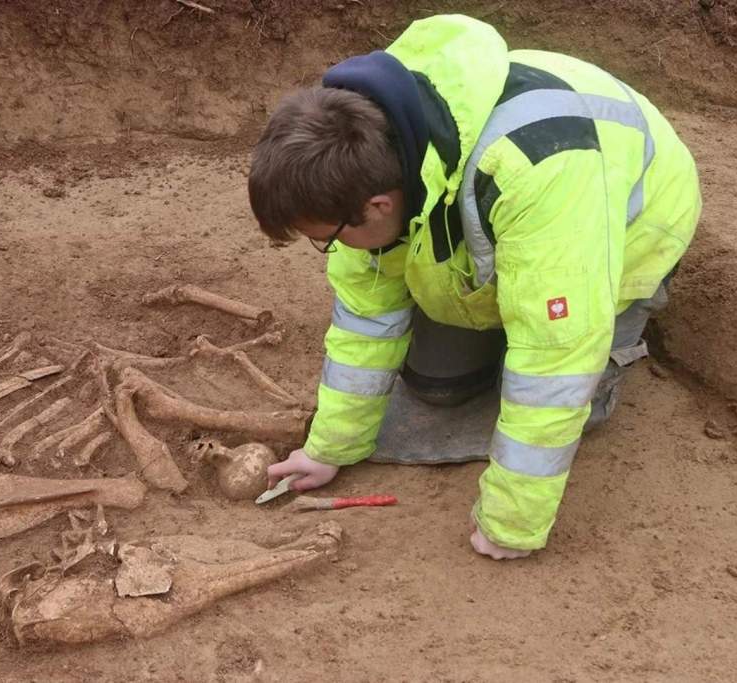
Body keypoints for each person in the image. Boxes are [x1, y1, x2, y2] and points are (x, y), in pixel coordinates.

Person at [247, 14, 701, 560]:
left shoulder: (537, 173)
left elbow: (555, 357)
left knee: (555, 364)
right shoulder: (374, 155)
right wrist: (331, 448)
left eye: (328, 238)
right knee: (435, 387)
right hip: (499, 226)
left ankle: (608, 369)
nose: (332, 249)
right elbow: (367, 318)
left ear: (377, 206)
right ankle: (508, 317)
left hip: (620, 239)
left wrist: (513, 521)